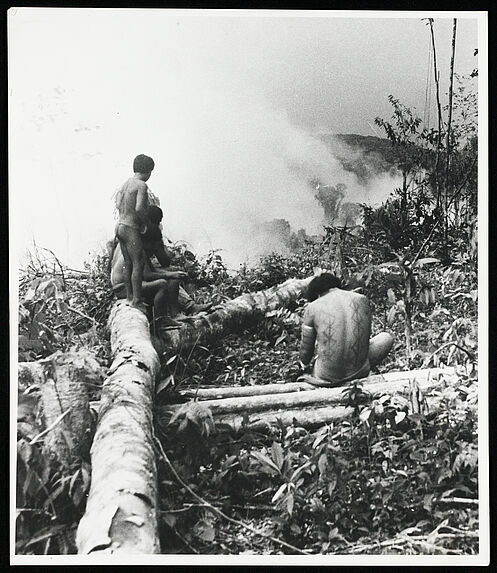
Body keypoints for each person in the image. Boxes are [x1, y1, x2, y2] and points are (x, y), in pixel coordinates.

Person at [299, 273, 394, 387]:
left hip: (326, 377)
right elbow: (364, 339)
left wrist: (304, 366)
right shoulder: (362, 299)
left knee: (316, 361)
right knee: (386, 337)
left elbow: (305, 353)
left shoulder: (312, 307)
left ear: (318, 293)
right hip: (359, 372)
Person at [141, 205, 212, 315]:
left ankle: (182, 310)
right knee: (169, 277)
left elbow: (149, 268)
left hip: (141, 274)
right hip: (135, 283)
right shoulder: (141, 243)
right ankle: (187, 307)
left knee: (173, 274)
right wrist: (160, 247)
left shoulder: (139, 234)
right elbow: (160, 264)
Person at [109, 239, 188, 328]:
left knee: (173, 280)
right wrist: (170, 274)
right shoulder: (137, 246)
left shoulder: (130, 239)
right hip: (123, 288)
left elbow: (151, 269)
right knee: (161, 284)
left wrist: (173, 274)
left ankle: (175, 314)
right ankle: (160, 320)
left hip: (130, 283)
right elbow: (148, 275)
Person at [114, 154, 155, 311]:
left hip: (120, 226)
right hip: (131, 227)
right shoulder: (141, 185)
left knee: (128, 263)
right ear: (148, 171)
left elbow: (118, 203)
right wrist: (145, 222)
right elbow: (139, 208)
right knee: (138, 262)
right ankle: (137, 300)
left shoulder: (125, 184)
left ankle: (129, 297)